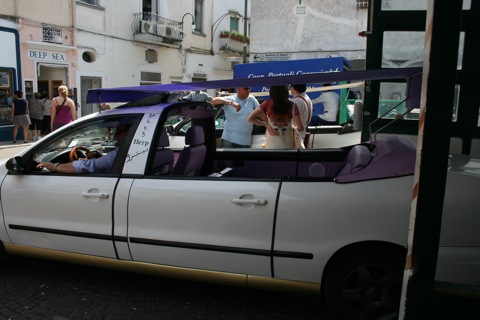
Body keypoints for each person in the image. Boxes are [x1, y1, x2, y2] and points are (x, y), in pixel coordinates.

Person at [36, 122, 130, 174]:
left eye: (119, 131)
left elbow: (91, 166)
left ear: (130, 133)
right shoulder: (131, 150)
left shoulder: (123, 153)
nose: (115, 135)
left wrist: (55, 167)